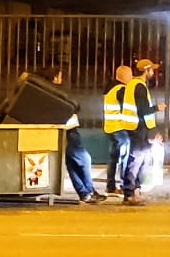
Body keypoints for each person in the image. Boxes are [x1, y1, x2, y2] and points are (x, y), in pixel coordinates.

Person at [48, 65, 99, 202]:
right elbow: (75, 106)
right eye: (60, 76)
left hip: (64, 131)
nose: (61, 79)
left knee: (72, 163)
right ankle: (88, 191)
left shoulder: (48, 93)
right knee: (84, 160)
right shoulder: (56, 93)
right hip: (69, 131)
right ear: (55, 77)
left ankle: (85, 193)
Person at [121, 59, 159, 203]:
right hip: (138, 128)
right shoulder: (140, 87)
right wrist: (157, 108)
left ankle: (135, 190)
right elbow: (143, 110)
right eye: (151, 70)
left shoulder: (132, 84)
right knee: (136, 160)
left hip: (134, 127)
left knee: (139, 160)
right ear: (146, 70)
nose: (153, 72)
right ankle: (129, 193)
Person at [102, 63, 138, 200]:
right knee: (124, 158)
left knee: (113, 158)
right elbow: (129, 108)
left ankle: (110, 186)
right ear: (124, 76)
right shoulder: (121, 90)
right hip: (119, 129)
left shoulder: (111, 88)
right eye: (130, 74)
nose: (132, 77)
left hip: (110, 128)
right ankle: (124, 186)